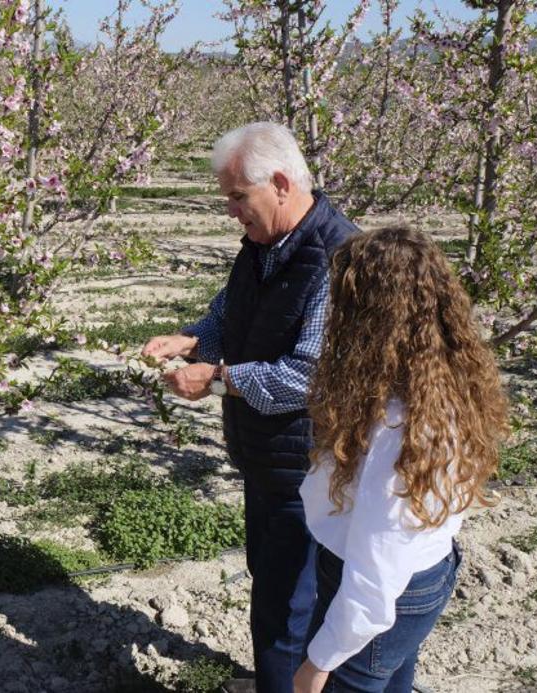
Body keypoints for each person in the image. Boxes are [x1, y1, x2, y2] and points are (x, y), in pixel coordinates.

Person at [142, 122, 358, 692]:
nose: (232, 212)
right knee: (272, 585)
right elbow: (230, 313)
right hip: (267, 458)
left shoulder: (337, 262)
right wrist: (191, 340)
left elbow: (309, 376)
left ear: (281, 184)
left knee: (289, 603)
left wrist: (215, 377)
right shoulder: (264, 248)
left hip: (309, 466)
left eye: (239, 197)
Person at [292, 227, 508, 693]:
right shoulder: (439, 382)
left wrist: (318, 662)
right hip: (422, 575)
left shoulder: (401, 426)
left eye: (344, 304)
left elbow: (375, 578)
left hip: (378, 601)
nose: (335, 317)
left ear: (374, 316)